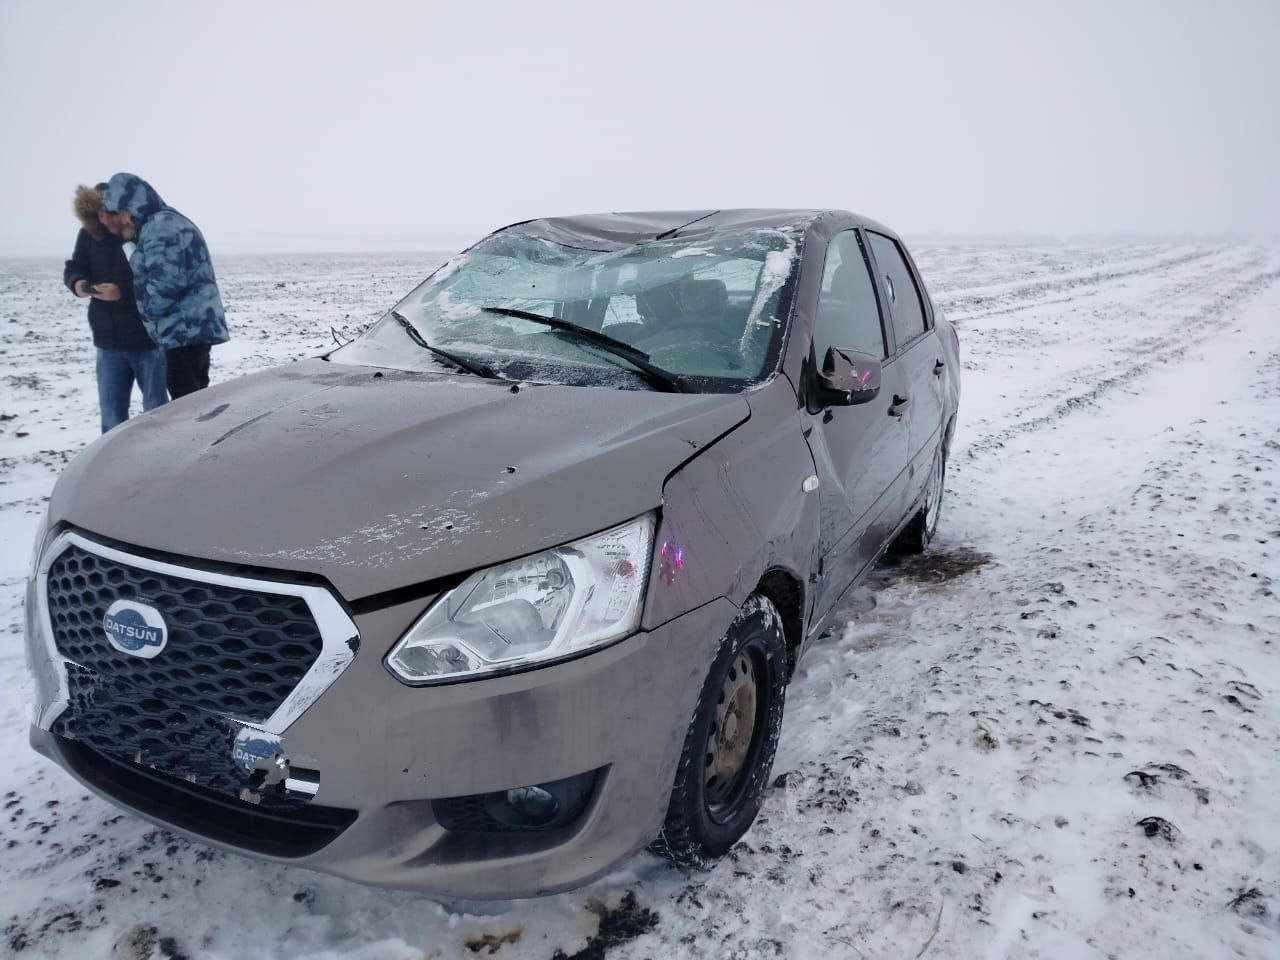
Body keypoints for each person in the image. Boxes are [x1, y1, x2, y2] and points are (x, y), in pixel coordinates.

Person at [100, 173, 229, 398]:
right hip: (188, 331)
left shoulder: (161, 228)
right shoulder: (161, 224)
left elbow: (166, 284)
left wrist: (148, 313)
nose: (119, 220)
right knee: (195, 402)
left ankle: (195, 435)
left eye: (118, 212)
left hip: (184, 333)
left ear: (128, 207)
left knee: (187, 407)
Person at [63, 183, 168, 432]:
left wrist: (122, 290)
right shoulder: (88, 235)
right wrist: (79, 284)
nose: (103, 218)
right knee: (111, 420)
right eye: (99, 213)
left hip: (148, 342)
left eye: (108, 212)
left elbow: (159, 278)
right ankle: (112, 470)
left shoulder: (144, 232)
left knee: (158, 415)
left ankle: (161, 465)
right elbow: (74, 266)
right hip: (108, 343)